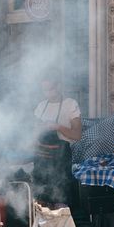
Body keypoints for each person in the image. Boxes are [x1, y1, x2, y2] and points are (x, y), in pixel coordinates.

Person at [32, 68, 82, 206]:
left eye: (50, 89)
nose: (47, 93)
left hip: (61, 161)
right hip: (41, 161)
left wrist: (58, 127)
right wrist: (37, 130)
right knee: (41, 202)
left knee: (60, 202)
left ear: (59, 86)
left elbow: (77, 134)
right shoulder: (41, 106)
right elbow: (33, 135)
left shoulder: (70, 104)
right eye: (44, 90)